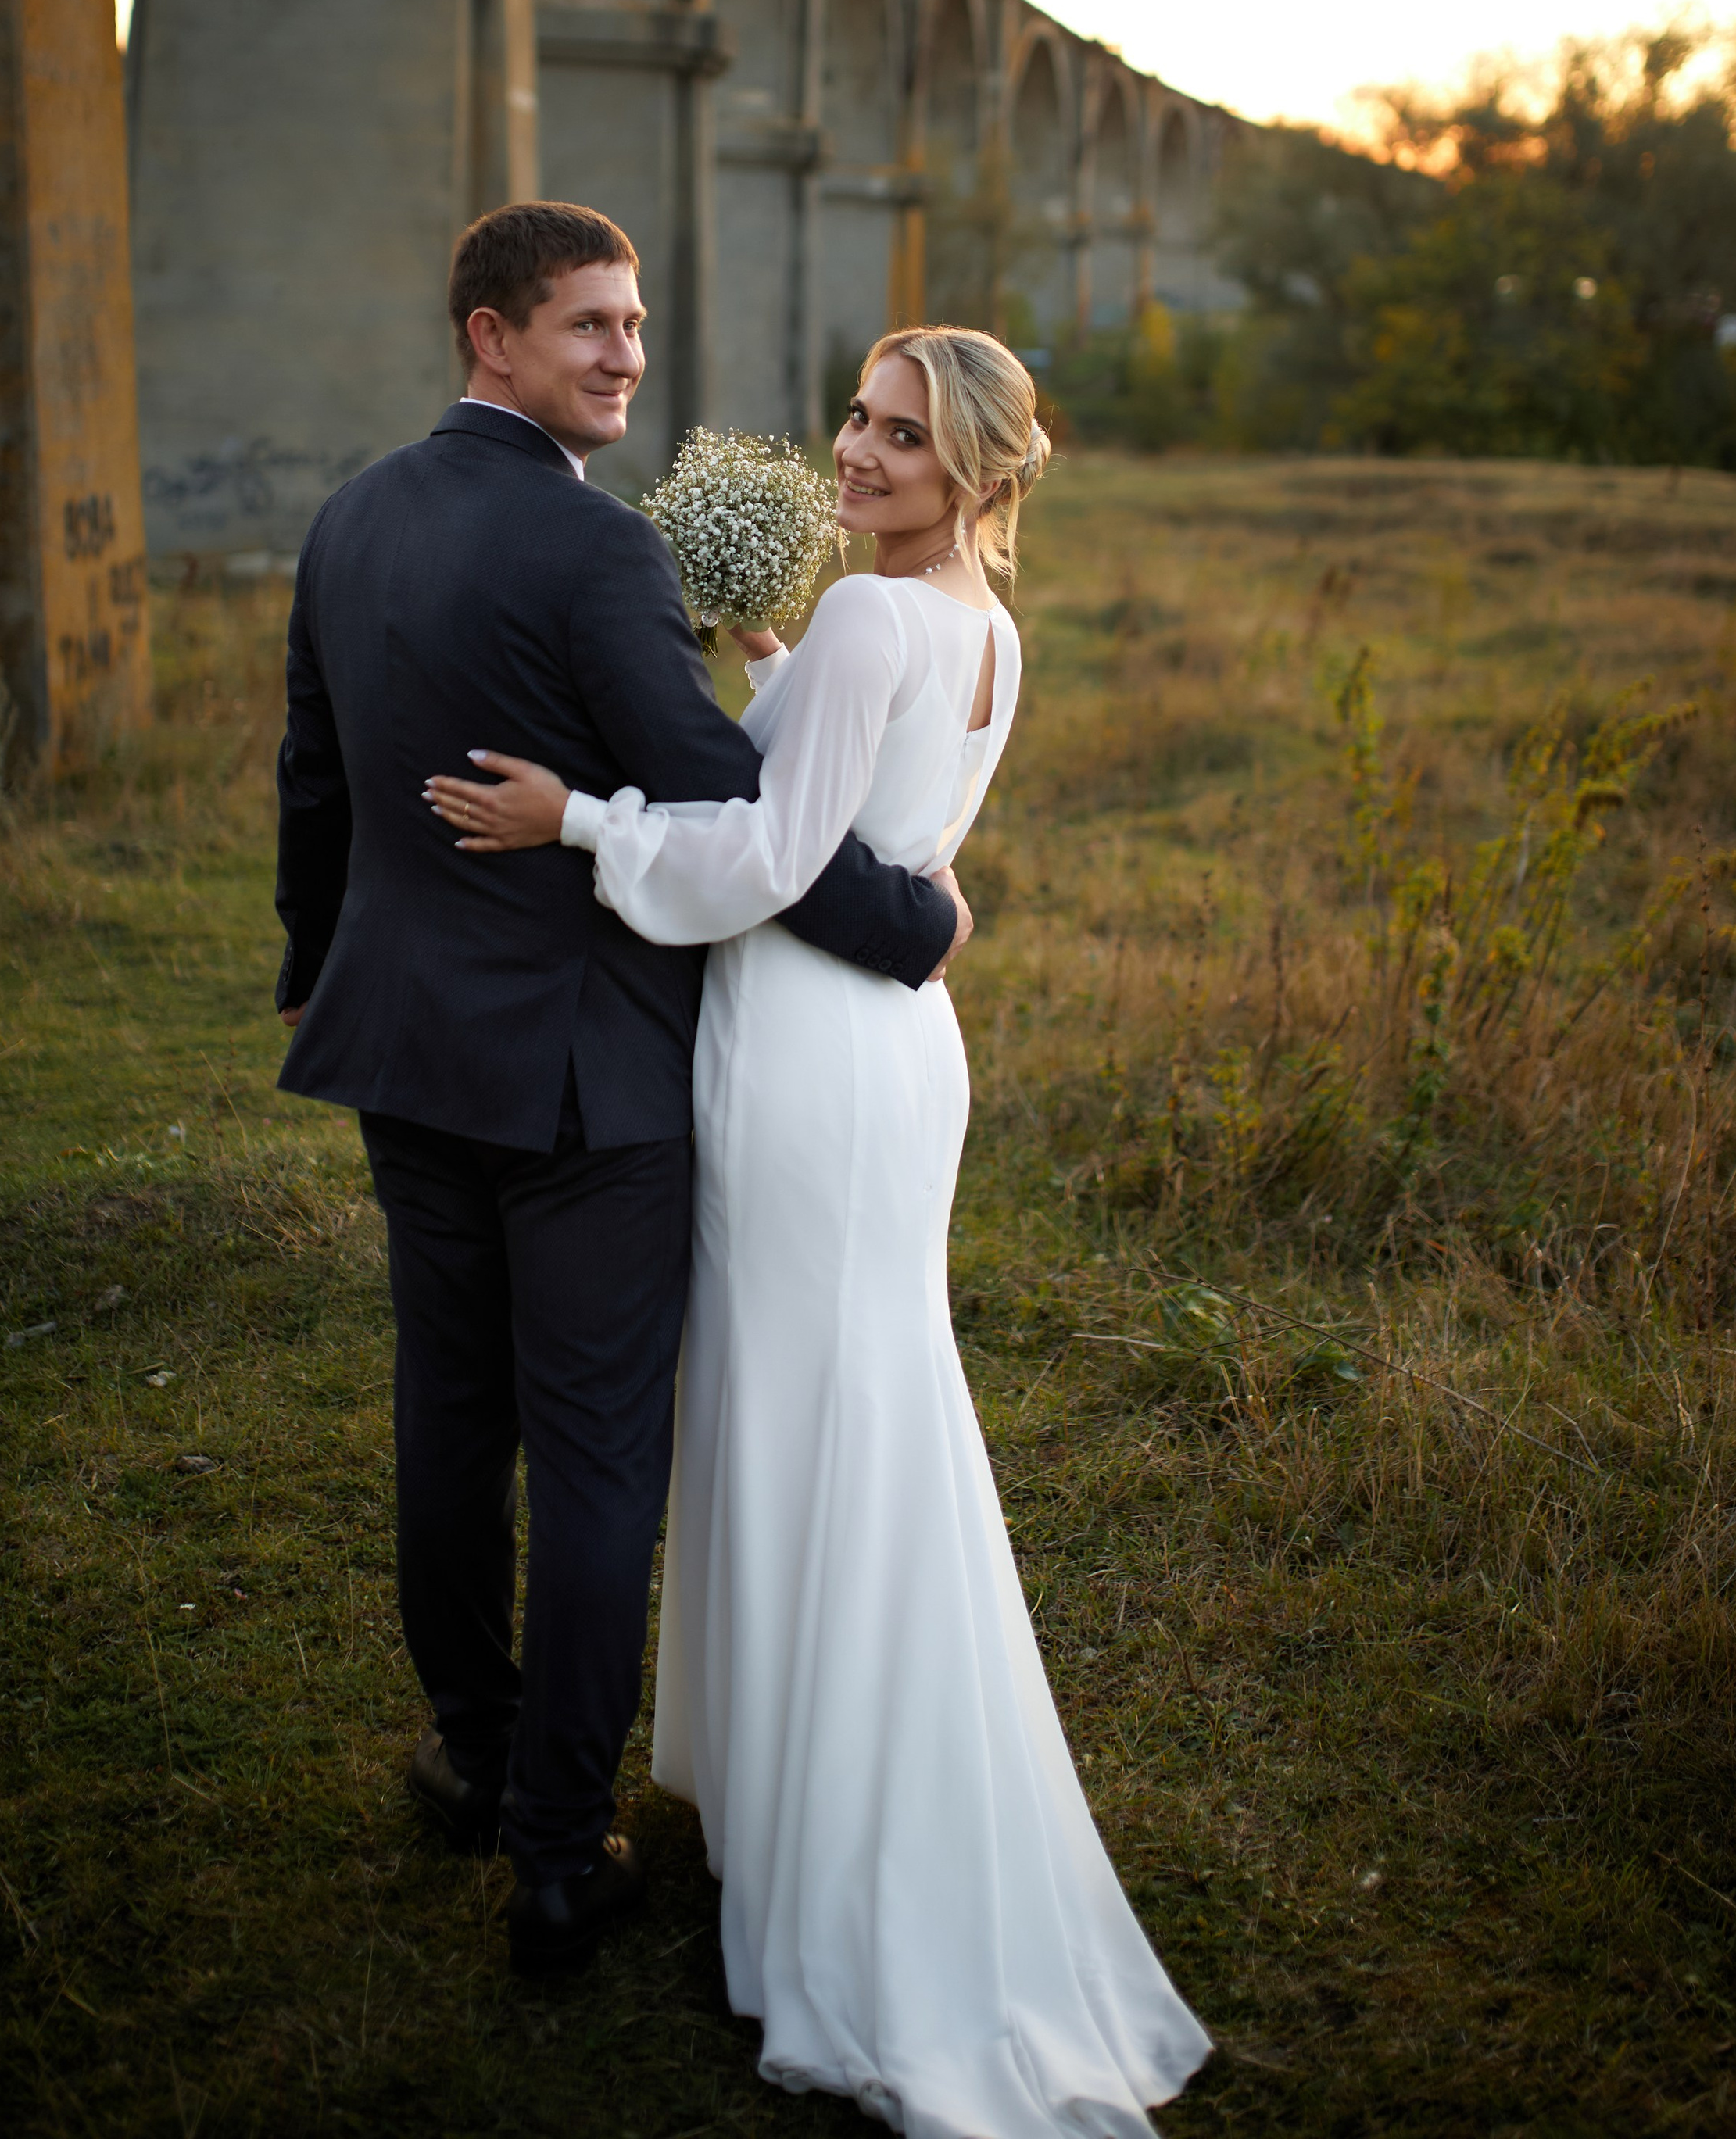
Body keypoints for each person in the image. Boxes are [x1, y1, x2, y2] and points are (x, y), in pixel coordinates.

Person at [425, 324, 1212, 2135]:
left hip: (797, 1057)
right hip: (893, 1057)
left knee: (797, 1408)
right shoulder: (977, 632)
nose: (855, 455)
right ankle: (806, 1782)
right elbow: (879, 820)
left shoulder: (877, 620)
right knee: (850, 1399)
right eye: (856, 419)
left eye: (901, 439)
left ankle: (822, 1824)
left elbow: (771, 865)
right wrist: (768, 669)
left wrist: (577, 823)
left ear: (979, 474)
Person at [272, 202, 968, 1980]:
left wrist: (330, 984)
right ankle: (558, 1844)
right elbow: (737, 819)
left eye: (636, 324)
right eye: (587, 325)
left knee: (451, 1408)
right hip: (583, 1089)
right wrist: (909, 919)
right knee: (590, 1458)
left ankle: (477, 1747)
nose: (626, 356)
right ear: (488, 337)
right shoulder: (593, 557)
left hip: (402, 1057)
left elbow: (314, 795)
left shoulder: (348, 522)